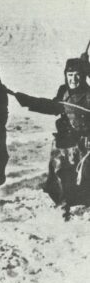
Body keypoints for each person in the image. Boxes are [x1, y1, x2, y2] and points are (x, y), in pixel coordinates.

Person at [15, 58, 90, 209]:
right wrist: (27, 100)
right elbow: (53, 107)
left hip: (86, 142)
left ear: (83, 76)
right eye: (70, 75)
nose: (73, 79)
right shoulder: (64, 91)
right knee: (61, 169)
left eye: (77, 75)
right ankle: (65, 200)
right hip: (67, 139)